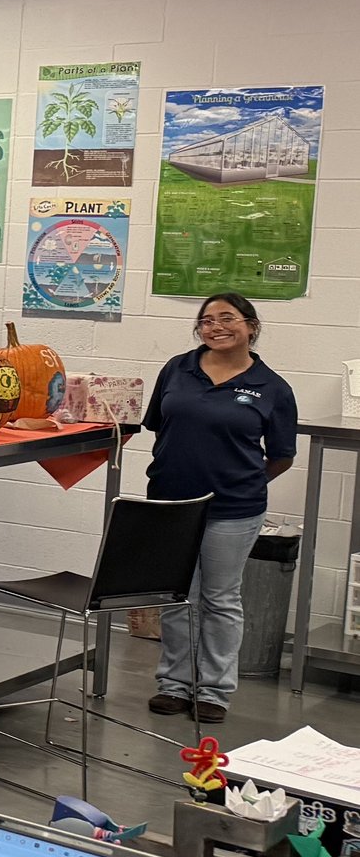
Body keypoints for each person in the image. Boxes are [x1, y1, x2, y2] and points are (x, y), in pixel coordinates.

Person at [144, 293, 298, 723]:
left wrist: (242, 482)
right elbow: (158, 424)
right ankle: (174, 685)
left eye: (227, 318)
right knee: (176, 596)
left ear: (250, 325)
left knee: (220, 598)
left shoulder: (273, 388)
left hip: (234, 509)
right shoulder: (177, 368)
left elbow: (282, 455)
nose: (216, 327)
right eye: (206, 320)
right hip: (172, 502)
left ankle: (213, 691)